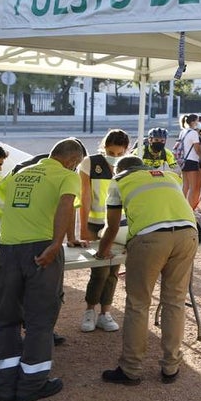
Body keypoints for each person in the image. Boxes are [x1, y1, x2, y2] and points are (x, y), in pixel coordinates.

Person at [0, 137, 86, 401]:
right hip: (41, 251)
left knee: (6, 319)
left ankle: (6, 386)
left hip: (6, 249)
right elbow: (66, 205)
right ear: (73, 161)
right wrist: (57, 243)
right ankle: (32, 384)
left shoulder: (20, 172)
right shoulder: (67, 176)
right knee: (39, 320)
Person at [98, 156, 198, 385]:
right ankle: (171, 367)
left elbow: (112, 226)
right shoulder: (169, 176)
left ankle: (131, 369)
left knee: (138, 304)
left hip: (150, 239)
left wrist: (102, 252)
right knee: (175, 301)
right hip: (187, 235)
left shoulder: (119, 181)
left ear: (119, 170)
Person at [77, 128, 130, 334]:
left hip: (120, 225)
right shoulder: (90, 162)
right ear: (104, 147)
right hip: (95, 224)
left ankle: (105, 313)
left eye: (119, 154)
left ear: (126, 150)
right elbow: (84, 197)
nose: (115, 157)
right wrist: (83, 228)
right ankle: (90, 310)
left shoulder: (129, 166)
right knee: (99, 270)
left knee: (113, 271)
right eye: (111, 152)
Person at [176, 113, 201, 209]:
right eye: (197, 121)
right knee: (193, 186)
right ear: (193, 122)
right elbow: (197, 148)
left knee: (185, 185)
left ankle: (181, 206)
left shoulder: (183, 131)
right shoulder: (193, 133)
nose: (198, 123)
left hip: (183, 160)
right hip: (192, 160)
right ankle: (191, 208)